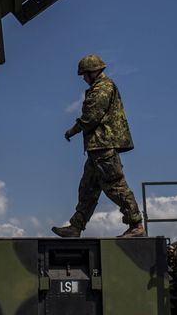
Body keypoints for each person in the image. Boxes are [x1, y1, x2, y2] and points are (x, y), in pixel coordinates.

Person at [52, 55, 146, 238]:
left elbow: (92, 116)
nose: (83, 78)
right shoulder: (99, 87)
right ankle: (76, 227)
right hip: (97, 147)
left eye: (85, 74)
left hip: (103, 145)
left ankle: (136, 225)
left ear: (93, 72)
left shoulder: (103, 88)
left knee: (115, 186)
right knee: (88, 187)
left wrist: (72, 130)